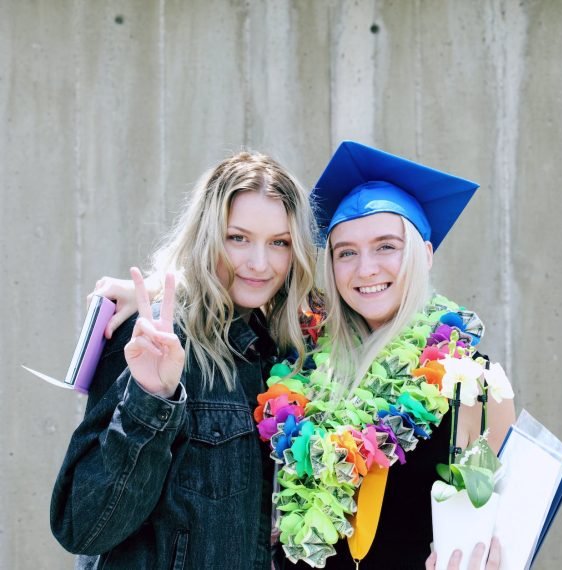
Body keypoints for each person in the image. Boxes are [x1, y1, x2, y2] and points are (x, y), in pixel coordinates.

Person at [93, 142, 516, 569]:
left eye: (386, 246)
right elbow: (235, 286)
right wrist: (153, 291)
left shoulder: (471, 384)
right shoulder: (303, 354)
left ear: (424, 254)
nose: (365, 268)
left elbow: (507, 528)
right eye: (345, 252)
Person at [50, 151, 316, 568]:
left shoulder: (284, 354)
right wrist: (150, 399)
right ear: (208, 236)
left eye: (279, 243)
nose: (260, 263)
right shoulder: (155, 338)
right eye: (237, 238)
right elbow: (83, 526)